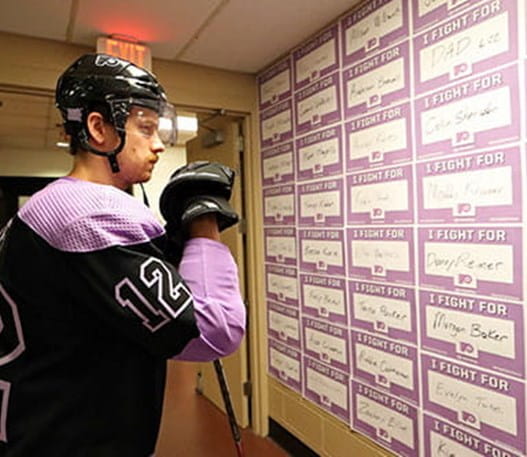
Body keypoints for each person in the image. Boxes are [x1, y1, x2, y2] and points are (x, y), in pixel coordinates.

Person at [0, 53, 246, 456]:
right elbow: (217, 329)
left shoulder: (42, 212)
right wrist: (204, 223)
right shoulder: (90, 216)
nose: (159, 143)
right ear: (99, 128)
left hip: (36, 428)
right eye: (145, 128)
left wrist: (172, 241)